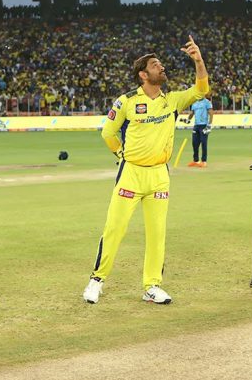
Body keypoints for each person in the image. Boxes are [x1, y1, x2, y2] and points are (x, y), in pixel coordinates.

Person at [82, 36, 210, 304]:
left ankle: (152, 286)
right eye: (155, 65)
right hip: (132, 172)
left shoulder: (172, 100)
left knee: (157, 233)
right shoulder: (127, 101)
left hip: (159, 175)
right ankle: (96, 280)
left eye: (161, 63)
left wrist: (198, 60)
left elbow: (201, 89)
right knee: (115, 228)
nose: (161, 67)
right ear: (143, 74)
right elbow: (108, 132)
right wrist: (121, 155)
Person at [183, 93, 213, 167]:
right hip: (196, 125)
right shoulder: (195, 103)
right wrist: (188, 119)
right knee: (194, 143)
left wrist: (209, 125)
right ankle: (196, 160)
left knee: (203, 143)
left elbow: (211, 113)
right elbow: (192, 113)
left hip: (204, 125)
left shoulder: (207, 102)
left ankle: (204, 161)